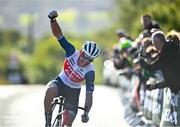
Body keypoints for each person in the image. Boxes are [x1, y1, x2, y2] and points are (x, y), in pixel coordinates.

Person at [44, 10, 100, 127]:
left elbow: (89, 94)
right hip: (60, 82)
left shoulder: (90, 71)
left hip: (73, 91)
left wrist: (86, 112)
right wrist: (53, 20)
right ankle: (48, 122)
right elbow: (59, 35)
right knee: (50, 91)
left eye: (89, 60)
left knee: (68, 123)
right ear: (81, 52)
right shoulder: (71, 51)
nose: (84, 61)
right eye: (84, 56)